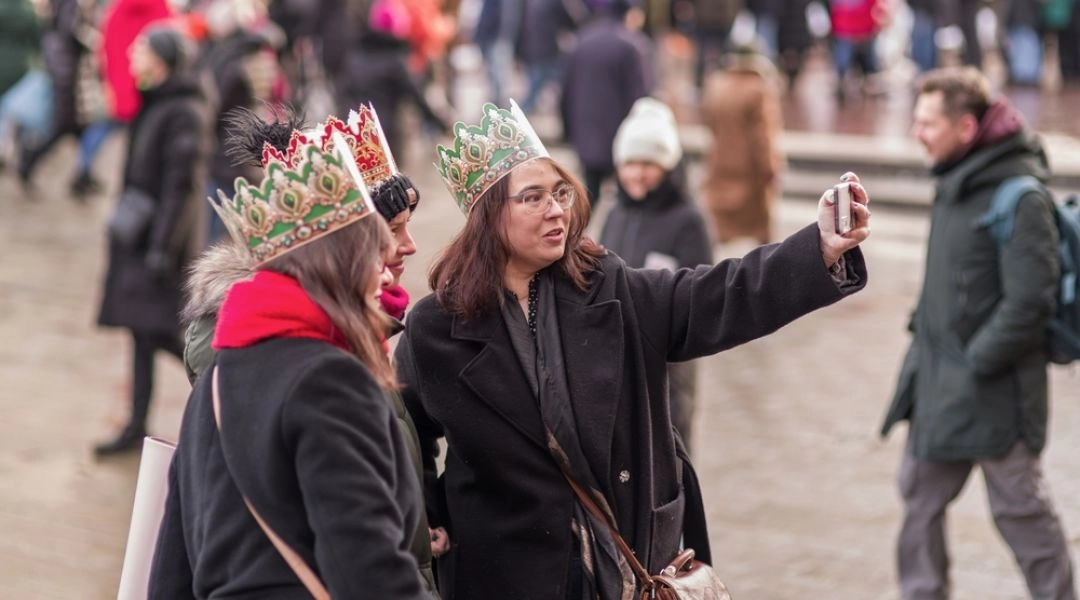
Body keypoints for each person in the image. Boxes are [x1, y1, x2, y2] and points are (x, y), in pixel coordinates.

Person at [398, 100, 871, 599]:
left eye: (560, 192)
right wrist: (429, 512)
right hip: (505, 574)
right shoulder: (437, 328)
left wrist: (820, 247)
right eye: (533, 198)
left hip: (620, 566)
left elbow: (717, 296)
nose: (556, 210)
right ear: (488, 216)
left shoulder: (608, 287)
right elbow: (405, 429)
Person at [149, 124, 428, 599]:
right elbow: (369, 571)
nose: (386, 274)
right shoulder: (331, 378)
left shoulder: (219, 377)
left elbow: (173, 564)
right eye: (374, 256)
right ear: (337, 266)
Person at [881, 66, 1076, 600]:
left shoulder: (1021, 196)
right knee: (919, 500)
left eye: (928, 123)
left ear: (966, 128)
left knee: (1022, 514)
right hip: (937, 386)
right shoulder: (954, 179)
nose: (916, 133)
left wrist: (978, 361)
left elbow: (1030, 302)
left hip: (997, 393)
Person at [94, 25, 209, 457]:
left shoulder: (184, 111)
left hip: (159, 242)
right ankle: (135, 424)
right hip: (142, 238)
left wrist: (163, 247)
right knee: (141, 333)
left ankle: (220, 385)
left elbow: (182, 187)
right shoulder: (157, 99)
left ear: (162, 59)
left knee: (159, 333)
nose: (133, 54)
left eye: (141, 48)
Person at [599, 97, 711, 452]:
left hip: (667, 365)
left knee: (668, 449)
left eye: (648, 163)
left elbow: (702, 295)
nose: (637, 173)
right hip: (616, 357)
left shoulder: (688, 220)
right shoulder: (616, 213)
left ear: (667, 165)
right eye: (629, 163)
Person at [560, 0, 652, 207]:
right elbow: (640, 97)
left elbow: (566, 89)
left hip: (586, 133)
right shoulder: (631, 45)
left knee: (589, 195)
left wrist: (567, 129)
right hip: (620, 136)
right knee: (627, 200)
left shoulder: (582, 40)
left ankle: (579, 227)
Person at [699, 43, 784, 246]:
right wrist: (771, 168)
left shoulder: (716, 85)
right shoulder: (759, 89)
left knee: (721, 224)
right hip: (750, 168)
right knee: (759, 233)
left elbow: (708, 121)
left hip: (719, 162)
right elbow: (763, 135)